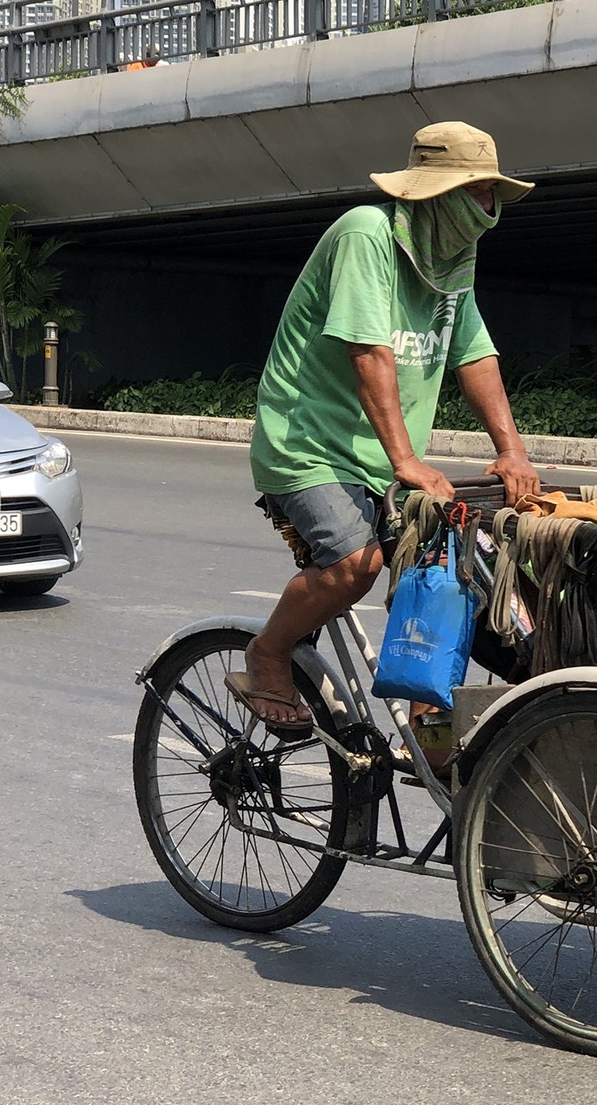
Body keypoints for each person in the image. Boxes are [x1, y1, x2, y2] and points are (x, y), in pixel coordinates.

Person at [231, 121, 541, 731]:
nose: (487, 209)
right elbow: (370, 352)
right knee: (356, 563)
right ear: (434, 192)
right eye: (476, 193)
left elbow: (472, 351)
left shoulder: (454, 256)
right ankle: (268, 652)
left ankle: (429, 711)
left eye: (491, 196)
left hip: (382, 457)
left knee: (449, 567)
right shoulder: (366, 234)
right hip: (308, 446)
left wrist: (512, 450)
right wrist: (406, 460)